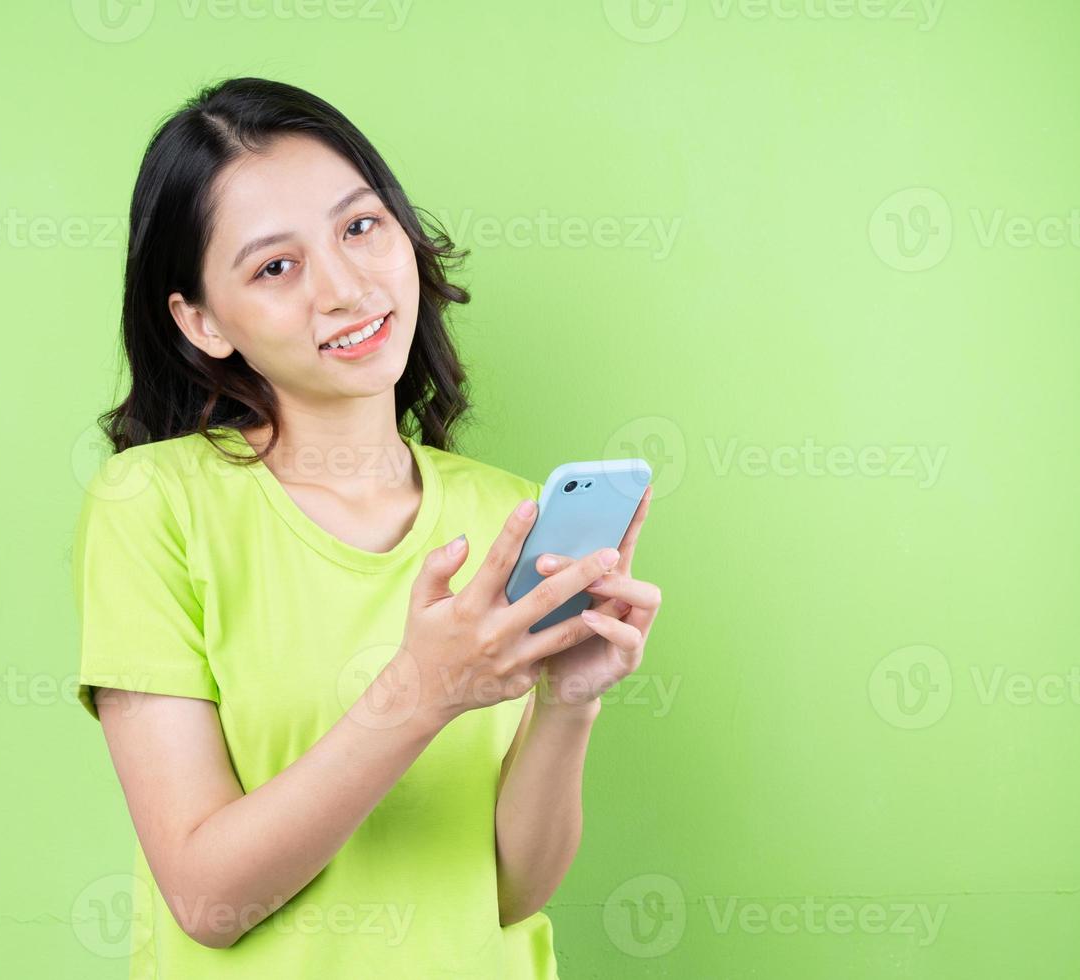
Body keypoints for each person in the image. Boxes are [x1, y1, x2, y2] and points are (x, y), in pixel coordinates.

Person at [71, 76, 663, 978]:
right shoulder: (150, 504)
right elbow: (205, 898)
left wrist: (566, 702)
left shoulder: (507, 514)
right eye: (276, 266)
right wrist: (420, 694)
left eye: (359, 226)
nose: (346, 287)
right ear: (200, 321)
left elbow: (512, 892)